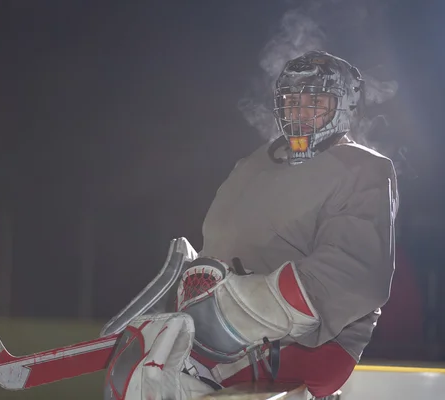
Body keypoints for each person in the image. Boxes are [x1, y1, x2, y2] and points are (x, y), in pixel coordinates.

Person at [103, 50, 398, 400]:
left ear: (343, 106)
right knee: (136, 378)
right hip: (227, 336)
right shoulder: (255, 164)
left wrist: (233, 315)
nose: (300, 112)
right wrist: (194, 292)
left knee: (163, 380)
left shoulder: (363, 169)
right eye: (292, 100)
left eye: (315, 101)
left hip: (308, 345)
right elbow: (226, 248)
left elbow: (353, 272)